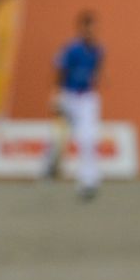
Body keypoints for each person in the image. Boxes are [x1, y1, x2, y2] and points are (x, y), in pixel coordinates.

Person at [54, 11, 105, 201]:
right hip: (69, 96)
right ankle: (49, 168)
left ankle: (88, 180)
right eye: (88, 28)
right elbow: (59, 71)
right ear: (81, 29)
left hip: (87, 98)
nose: (91, 32)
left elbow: (98, 70)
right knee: (60, 135)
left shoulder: (98, 50)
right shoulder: (71, 49)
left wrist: (98, 79)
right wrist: (57, 95)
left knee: (88, 138)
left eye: (94, 28)